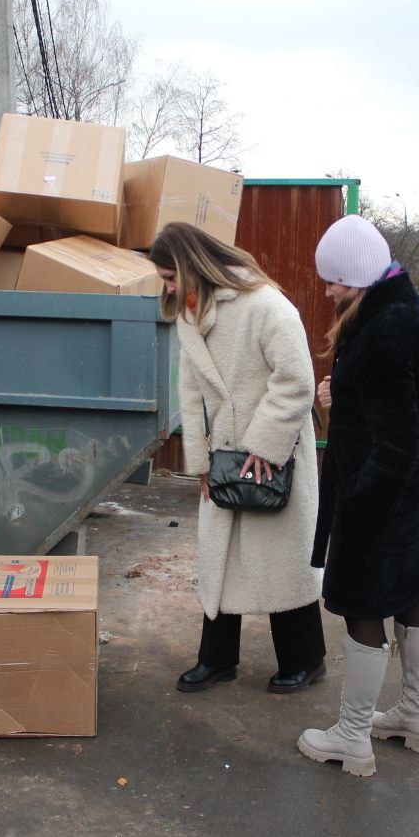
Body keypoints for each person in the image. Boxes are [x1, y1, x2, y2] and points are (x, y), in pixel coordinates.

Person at [296, 215, 419, 777]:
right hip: (415, 487)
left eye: (335, 280)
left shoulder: (383, 329)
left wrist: (358, 504)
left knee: (362, 605)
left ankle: (353, 739)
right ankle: (415, 718)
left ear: (360, 275)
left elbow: (394, 441)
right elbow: (403, 407)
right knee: (409, 597)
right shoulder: (401, 311)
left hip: (382, 492)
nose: (328, 289)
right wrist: (346, 396)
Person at [150, 222, 326, 696]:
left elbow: (296, 380)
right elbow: (190, 391)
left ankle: (306, 659)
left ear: (191, 266)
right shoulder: (192, 313)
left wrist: (263, 448)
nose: (167, 287)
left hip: (275, 451)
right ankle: (217, 660)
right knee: (219, 557)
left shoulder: (266, 305)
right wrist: (201, 464)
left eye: (170, 277)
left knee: (281, 558)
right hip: (224, 455)